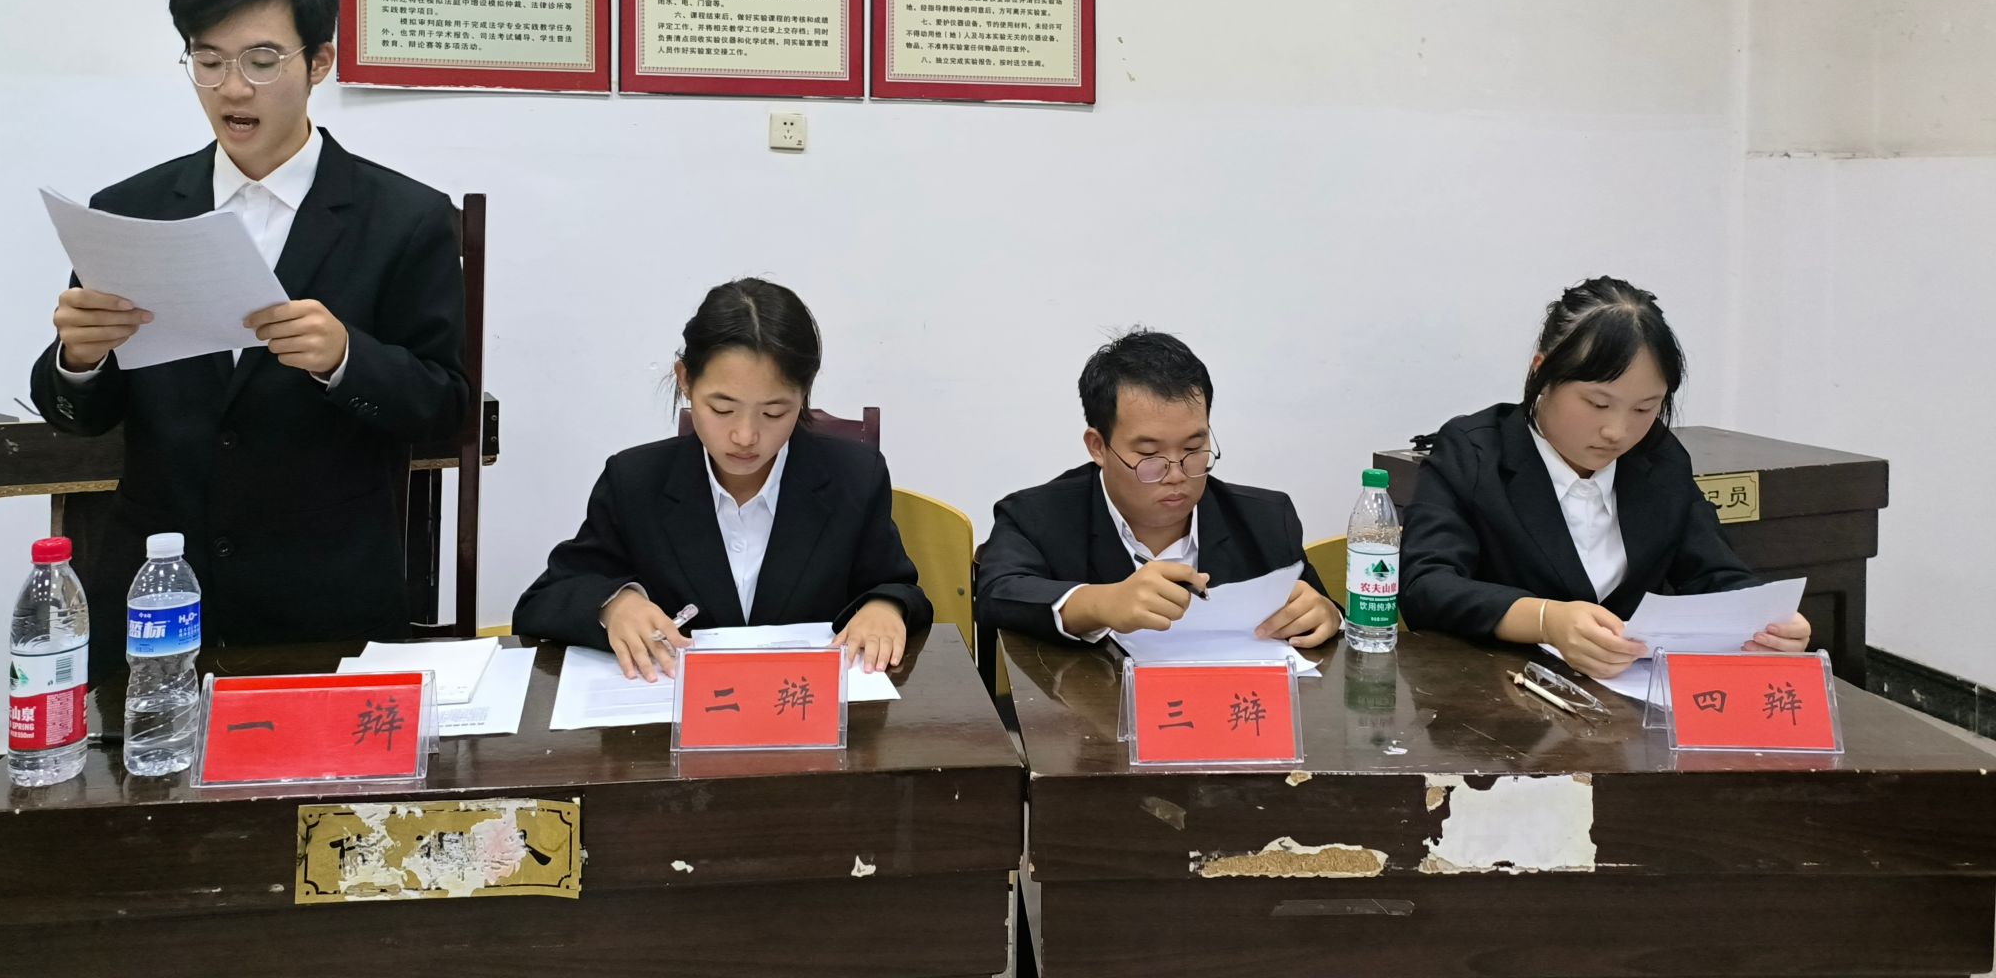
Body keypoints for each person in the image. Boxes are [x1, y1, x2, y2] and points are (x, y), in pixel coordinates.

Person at [30, 0, 469, 673]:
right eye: (208, 61)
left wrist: (345, 359)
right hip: (154, 601)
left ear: (319, 61)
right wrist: (79, 358)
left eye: (262, 61)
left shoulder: (405, 218)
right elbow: (80, 414)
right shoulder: (131, 209)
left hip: (324, 601)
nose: (233, 89)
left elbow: (444, 406)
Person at [514, 279, 932, 679]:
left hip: (807, 715)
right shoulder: (635, 481)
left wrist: (884, 606)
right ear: (685, 380)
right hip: (672, 718)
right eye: (722, 409)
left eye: (773, 412)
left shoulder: (853, 477)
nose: (745, 436)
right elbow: (544, 599)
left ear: (803, 394)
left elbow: (897, 585)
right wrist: (614, 606)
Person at [1398, 276, 1811, 678]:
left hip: (1627, 698)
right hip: (1497, 693)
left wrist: (1768, 621)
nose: (1617, 431)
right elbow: (1426, 585)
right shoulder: (1474, 452)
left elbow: (1713, 573)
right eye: (1598, 404)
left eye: (1644, 408)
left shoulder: (1658, 459)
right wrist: (1545, 620)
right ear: (1542, 372)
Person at [975, 329, 1339, 648]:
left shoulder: (1265, 519)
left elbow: (1314, 610)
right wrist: (1101, 603)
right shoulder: (1037, 517)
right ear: (1098, 447)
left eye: (1194, 448)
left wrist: (1327, 615)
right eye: (1150, 454)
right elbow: (998, 594)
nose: (1176, 473)